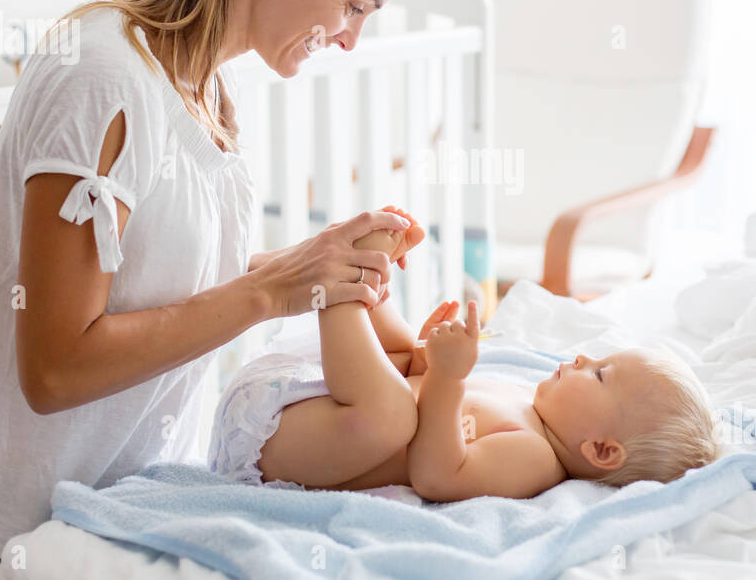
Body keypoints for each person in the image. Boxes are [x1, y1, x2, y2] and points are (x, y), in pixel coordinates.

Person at [0, 0, 432, 580]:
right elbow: (54, 367)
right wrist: (270, 293)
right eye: (356, 4)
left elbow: (164, 286)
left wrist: (314, 264)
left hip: (122, 511)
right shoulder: (101, 76)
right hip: (16, 529)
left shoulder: (209, 92)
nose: (353, 39)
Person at [210, 208, 722, 500]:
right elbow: (414, 382)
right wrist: (428, 359)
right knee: (400, 357)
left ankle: (341, 289)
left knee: (391, 417)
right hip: (301, 402)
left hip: (283, 450)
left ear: (602, 450)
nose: (585, 360)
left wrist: (448, 381)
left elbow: (438, 473)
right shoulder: (523, 398)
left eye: (603, 375)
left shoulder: (536, 458)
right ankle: (371, 281)